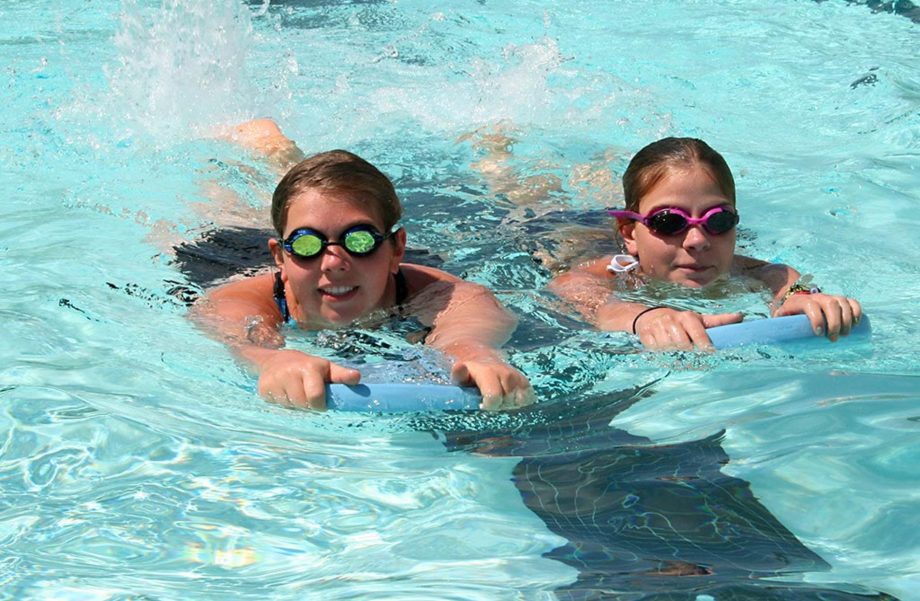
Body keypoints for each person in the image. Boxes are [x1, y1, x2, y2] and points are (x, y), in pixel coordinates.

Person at [192, 119, 534, 411]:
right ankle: (273, 148)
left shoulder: (443, 294)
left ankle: (496, 159)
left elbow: (467, 330)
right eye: (307, 244)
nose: (333, 262)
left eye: (359, 240)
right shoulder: (239, 299)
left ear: (397, 248)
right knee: (246, 207)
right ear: (280, 256)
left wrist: (476, 354)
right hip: (235, 254)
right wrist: (272, 360)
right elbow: (240, 340)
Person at [550, 137, 862, 350]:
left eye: (718, 221)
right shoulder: (607, 274)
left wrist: (805, 299)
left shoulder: (755, 272)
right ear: (630, 233)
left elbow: (787, 285)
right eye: (668, 222)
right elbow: (587, 299)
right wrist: (648, 316)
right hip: (563, 231)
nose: (698, 241)